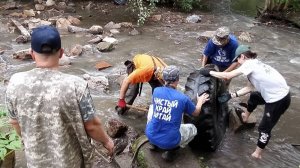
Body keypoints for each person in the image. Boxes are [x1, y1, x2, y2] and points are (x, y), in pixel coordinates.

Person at [5, 25, 114, 168]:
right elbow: (92, 126)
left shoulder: (15, 82)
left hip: (36, 161)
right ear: (61, 53)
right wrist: (107, 142)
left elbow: (14, 122)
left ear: (31, 53)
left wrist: (29, 139)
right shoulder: (76, 85)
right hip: (70, 162)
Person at [200, 45, 291, 159]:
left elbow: (227, 76)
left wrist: (210, 73)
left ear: (242, 56)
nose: (238, 63)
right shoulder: (255, 64)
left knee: (264, 128)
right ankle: (245, 117)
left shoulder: (249, 64)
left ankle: (257, 154)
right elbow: (249, 88)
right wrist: (231, 95)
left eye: (237, 60)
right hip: (273, 93)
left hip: (279, 99)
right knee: (253, 96)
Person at [145, 65, 209, 161]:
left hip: (150, 134)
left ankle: (153, 144)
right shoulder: (182, 98)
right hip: (169, 141)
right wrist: (200, 101)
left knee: (152, 108)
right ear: (178, 79)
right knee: (193, 129)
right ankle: (171, 151)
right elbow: (196, 113)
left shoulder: (156, 91)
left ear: (163, 78)